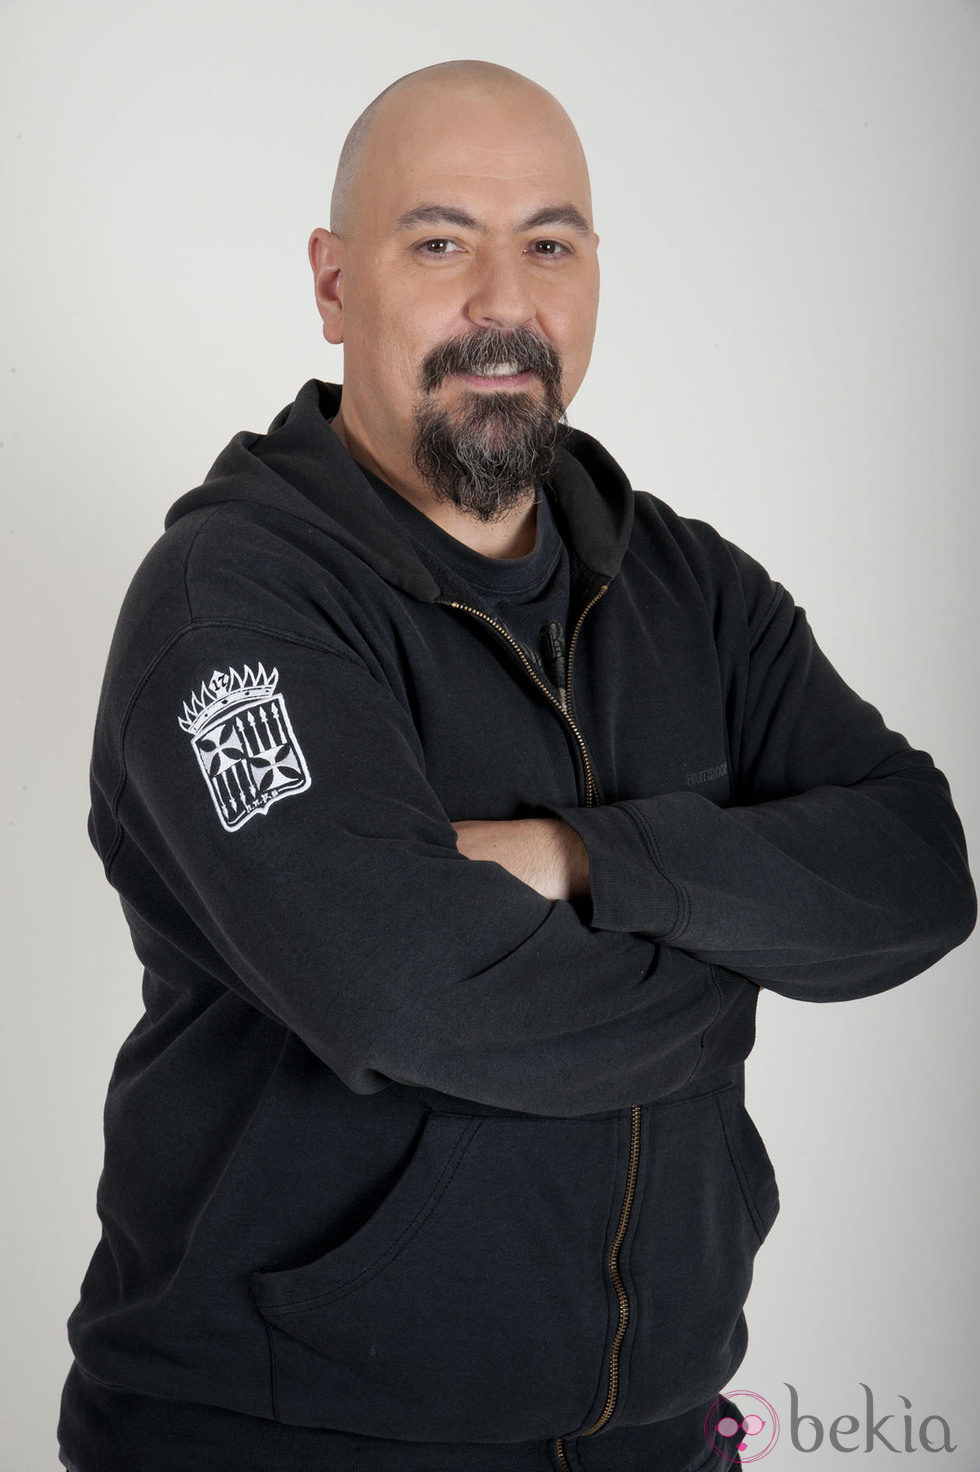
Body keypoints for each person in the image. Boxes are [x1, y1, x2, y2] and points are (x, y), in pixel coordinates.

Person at [58, 59, 975, 1472]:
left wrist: (585, 858)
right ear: (334, 284)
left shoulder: (693, 592)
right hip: (284, 1433)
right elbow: (401, 990)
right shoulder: (230, 608)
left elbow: (917, 872)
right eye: (441, 243)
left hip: (659, 1432)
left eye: (549, 245)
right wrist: (743, 948)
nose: (504, 303)